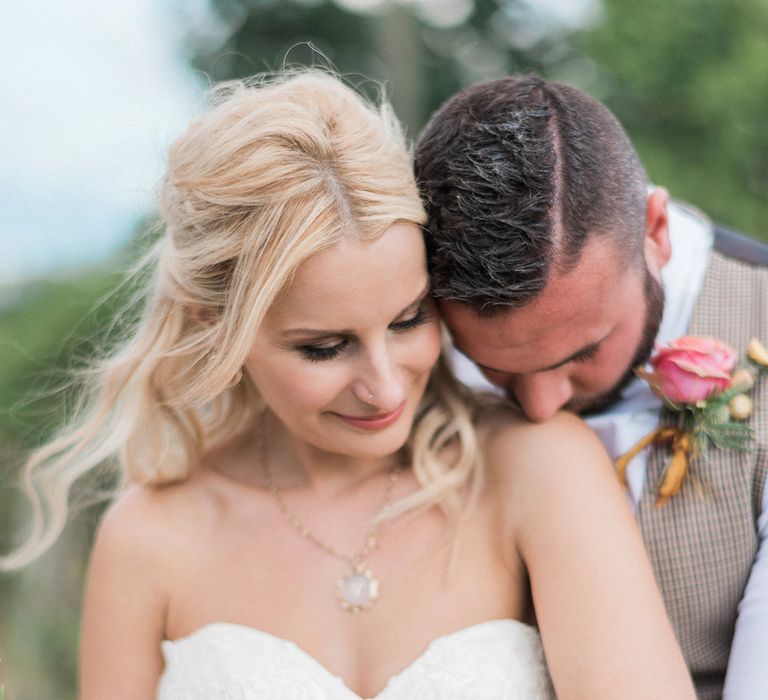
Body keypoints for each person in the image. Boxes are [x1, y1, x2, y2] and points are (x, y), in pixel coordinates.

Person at [1, 71, 695, 699]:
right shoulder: (148, 541)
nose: (386, 388)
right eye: (324, 347)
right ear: (218, 331)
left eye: (407, 319)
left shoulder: (540, 469)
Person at [414, 74, 768, 700]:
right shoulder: (406, 358)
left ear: (655, 230)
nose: (540, 406)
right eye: (494, 367)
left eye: (582, 353)